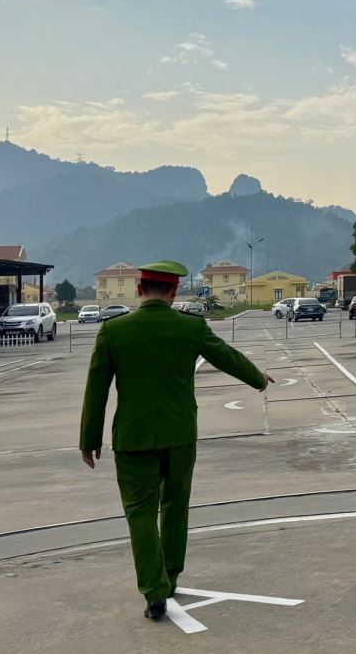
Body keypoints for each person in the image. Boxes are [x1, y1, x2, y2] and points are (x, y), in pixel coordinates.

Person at [80, 260, 274, 622]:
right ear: (173, 292)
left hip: (133, 438)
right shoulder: (191, 327)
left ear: (139, 290)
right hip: (180, 435)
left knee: (140, 513)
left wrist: (89, 439)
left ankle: (153, 592)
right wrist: (258, 378)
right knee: (175, 504)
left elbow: (97, 390)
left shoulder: (113, 331)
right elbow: (226, 357)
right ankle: (169, 576)